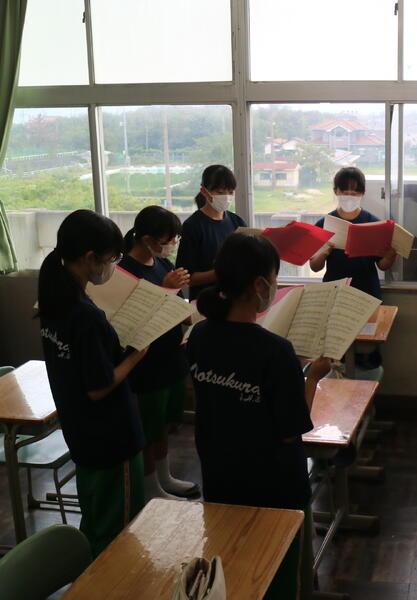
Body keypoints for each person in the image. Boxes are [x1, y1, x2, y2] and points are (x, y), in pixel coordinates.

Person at [187, 232, 330, 598]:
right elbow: (290, 429)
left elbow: (201, 399)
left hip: (219, 474)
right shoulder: (275, 350)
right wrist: (313, 377)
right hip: (273, 485)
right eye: (274, 278)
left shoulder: (200, 335)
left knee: (232, 562)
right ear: (259, 285)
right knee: (277, 572)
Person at [37, 209, 148, 557]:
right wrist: (136, 355)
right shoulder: (85, 316)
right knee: (119, 531)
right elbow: (99, 386)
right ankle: (110, 580)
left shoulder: (53, 301)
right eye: (112, 258)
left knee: (97, 519)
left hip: (81, 432)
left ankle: (90, 575)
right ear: (89, 258)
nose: (113, 266)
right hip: (111, 438)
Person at [120, 205, 198, 500]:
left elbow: (177, 308)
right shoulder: (125, 271)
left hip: (172, 356)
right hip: (147, 363)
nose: (173, 244)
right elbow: (131, 320)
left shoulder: (163, 264)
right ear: (147, 239)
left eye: (176, 237)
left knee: (165, 423)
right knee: (148, 427)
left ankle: (165, 477)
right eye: (169, 238)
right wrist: (165, 289)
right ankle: (150, 487)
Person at [310, 166, 397, 370]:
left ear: (363, 193)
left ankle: (366, 388)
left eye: (355, 191)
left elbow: (382, 264)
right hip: (334, 296)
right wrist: (324, 252)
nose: (349, 195)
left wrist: (390, 256)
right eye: (344, 190)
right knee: (335, 355)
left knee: (366, 354)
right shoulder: (324, 223)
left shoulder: (373, 223)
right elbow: (314, 266)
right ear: (336, 191)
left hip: (366, 295)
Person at [176, 164, 247, 301]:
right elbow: (188, 277)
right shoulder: (193, 226)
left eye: (230, 192)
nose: (226, 197)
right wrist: (221, 273)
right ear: (204, 191)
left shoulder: (237, 222)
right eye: (220, 192)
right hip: (206, 303)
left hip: (235, 299)